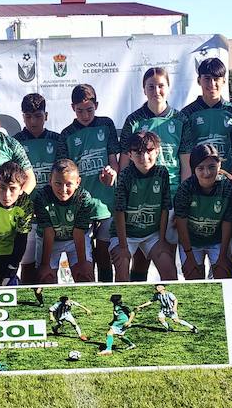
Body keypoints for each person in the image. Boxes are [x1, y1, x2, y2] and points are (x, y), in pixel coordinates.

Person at [120, 67, 185, 282]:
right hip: (141, 196)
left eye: (161, 86)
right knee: (140, 258)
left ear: (168, 88)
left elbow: (185, 162)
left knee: (167, 251)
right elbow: (124, 162)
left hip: (172, 193)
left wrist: (182, 197)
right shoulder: (134, 120)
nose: (156, 90)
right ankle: (136, 293)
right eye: (151, 86)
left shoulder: (181, 119)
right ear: (144, 89)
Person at [56, 84, 121, 282]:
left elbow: (114, 160)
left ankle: (107, 293)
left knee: (103, 252)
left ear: (97, 105)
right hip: (80, 205)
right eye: (80, 111)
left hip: (106, 202)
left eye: (89, 110)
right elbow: (64, 171)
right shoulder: (66, 134)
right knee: (84, 257)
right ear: (72, 108)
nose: (85, 115)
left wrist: (113, 173)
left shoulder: (106, 124)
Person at [111, 131, 176, 281]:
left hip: (152, 234)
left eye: (149, 151)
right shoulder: (125, 175)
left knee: (170, 273)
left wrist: (161, 241)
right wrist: (122, 246)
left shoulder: (162, 173)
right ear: (129, 154)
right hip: (126, 235)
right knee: (122, 267)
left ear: (157, 151)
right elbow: (119, 211)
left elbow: (165, 208)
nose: (144, 157)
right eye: (138, 152)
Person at [33, 159, 109, 284]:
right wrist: (45, 265)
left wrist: (82, 263)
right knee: (46, 279)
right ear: (50, 179)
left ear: (78, 182)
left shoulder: (84, 198)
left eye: (68, 184)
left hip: (75, 239)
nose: (63, 189)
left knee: (84, 275)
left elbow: (78, 232)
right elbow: (49, 231)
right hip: (50, 240)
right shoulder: (42, 196)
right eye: (58, 183)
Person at [12, 93, 60, 284]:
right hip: (27, 213)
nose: (33, 121)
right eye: (28, 116)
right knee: (28, 265)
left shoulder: (58, 140)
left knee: (50, 267)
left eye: (38, 116)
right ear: (22, 117)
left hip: (54, 212)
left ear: (46, 116)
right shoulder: (14, 142)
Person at [174, 144, 232, 280]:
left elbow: (228, 223)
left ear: (219, 165)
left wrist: (222, 256)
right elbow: (181, 225)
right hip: (192, 242)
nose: (207, 173)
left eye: (211, 167)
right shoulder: (185, 189)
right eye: (200, 168)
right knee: (192, 275)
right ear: (194, 169)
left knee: (224, 272)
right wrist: (189, 256)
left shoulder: (228, 187)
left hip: (218, 241)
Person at [179, 58, 232, 180]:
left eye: (216, 79)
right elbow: (184, 153)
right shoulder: (188, 113)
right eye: (207, 79)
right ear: (199, 80)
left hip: (225, 180)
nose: (212, 84)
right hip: (199, 180)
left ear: (224, 81)